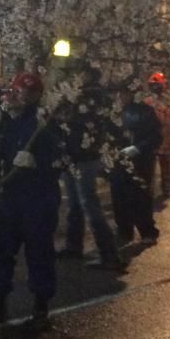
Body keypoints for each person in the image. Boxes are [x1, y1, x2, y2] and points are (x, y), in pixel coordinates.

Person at [0, 73, 63, 329]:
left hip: (38, 199)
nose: (12, 96)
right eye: (13, 91)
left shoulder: (45, 125)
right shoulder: (4, 123)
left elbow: (62, 161)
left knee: (39, 253)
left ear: (32, 97)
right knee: (2, 251)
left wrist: (37, 164)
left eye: (19, 93)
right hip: (11, 197)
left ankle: (41, 308)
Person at [58, 68, 122, 269]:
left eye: (80, 74)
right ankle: (73, 245)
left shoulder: (91, 99)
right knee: (75, 204)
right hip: (74, 155)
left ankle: (109, 254)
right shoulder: (82, 97)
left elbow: (79, 124)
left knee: (88, 204)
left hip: (84, 157)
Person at [111, 84, 162, 248]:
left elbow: (156, 136)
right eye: (120, 93)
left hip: (140, 161)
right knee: (119, 196)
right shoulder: (114, 112)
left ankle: (147, 231)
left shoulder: (145, 111)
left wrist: (138, 148)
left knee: (140, 196)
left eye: (125, 93)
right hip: (118, 159)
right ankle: (124, 230)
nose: (121, 97)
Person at [144, 72, 170, 200]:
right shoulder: (147, 101)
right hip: (150, 138)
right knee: (148, 168)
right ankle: (148, 190)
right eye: (153, 85)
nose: (155, 88)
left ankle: (167, 188)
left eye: (157, 85)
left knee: (166, 166)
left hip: (166, 138)